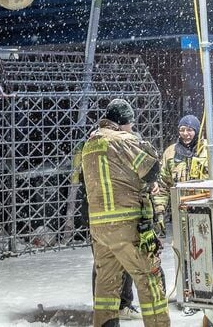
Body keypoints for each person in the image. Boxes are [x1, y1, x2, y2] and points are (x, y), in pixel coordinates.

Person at [76, 99, 169, 327]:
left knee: (106, 285)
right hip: (125, 224)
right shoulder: (122, 140)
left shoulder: (90, 144)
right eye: (130, 124)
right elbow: (151, 168)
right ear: (121, 122)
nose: (132, 128)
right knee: (149, 278)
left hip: (99, 228)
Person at [151, 114, 213, 237]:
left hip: (209, 210)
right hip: (183, 213)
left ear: (197, 131)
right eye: (182, 130)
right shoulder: (170, 153)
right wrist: (160, 212)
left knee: (209, 245)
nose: (185, 133)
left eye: (189, 130)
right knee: (185, 250)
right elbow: (163, 185)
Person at [72, 152, 138, 320]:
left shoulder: (92, 155)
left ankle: (111, 307)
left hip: (104, 220)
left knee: (107, 265)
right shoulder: (106, 157)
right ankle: (116, 306)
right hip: (110, 220)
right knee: (114, 264)